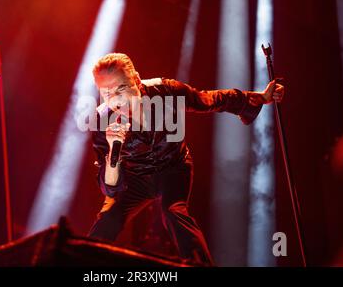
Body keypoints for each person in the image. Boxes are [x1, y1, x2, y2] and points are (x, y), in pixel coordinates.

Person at [87, 53, 284, 265]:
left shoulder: (166, 91)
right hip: (134, 178)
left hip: (173, 167)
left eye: (121, 89)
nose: (116, 101)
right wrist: (112, 150)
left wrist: (258, 98)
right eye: (107, 93)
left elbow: (210, 100)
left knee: (173, 212)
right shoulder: (101, 120)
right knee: (108, 218)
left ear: (136, 79)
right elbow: (111, 188)